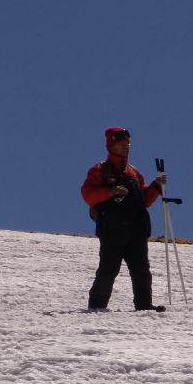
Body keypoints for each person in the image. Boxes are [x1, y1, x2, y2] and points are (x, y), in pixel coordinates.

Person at [81, 127, 167, 312]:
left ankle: (144, 305)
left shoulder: (134, 172)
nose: (126, 147)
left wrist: (156, 187)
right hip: (112, 229)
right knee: (109, 268)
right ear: (111, 145)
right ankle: (96, 306)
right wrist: (109, 192)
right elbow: (87, 195)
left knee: (141, 270)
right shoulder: (99, 170)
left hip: (136, 229)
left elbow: (142, 200)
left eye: (127, 144)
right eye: (121, 144)